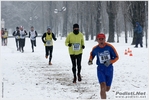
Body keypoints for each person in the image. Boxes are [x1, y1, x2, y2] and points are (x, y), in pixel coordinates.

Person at [88, 33, 119, 99]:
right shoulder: (95, 48)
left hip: (109, 69)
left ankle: (104, 92)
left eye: (102, 39)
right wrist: (90, 60)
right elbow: (92, 54)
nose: (101, 41)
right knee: (102, 86)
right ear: (97, 40)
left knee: (107, 88)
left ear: (105, 39)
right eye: (100, 39)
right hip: (100, 69)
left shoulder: (109, 47)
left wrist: (110, 61)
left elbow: (116, 57)